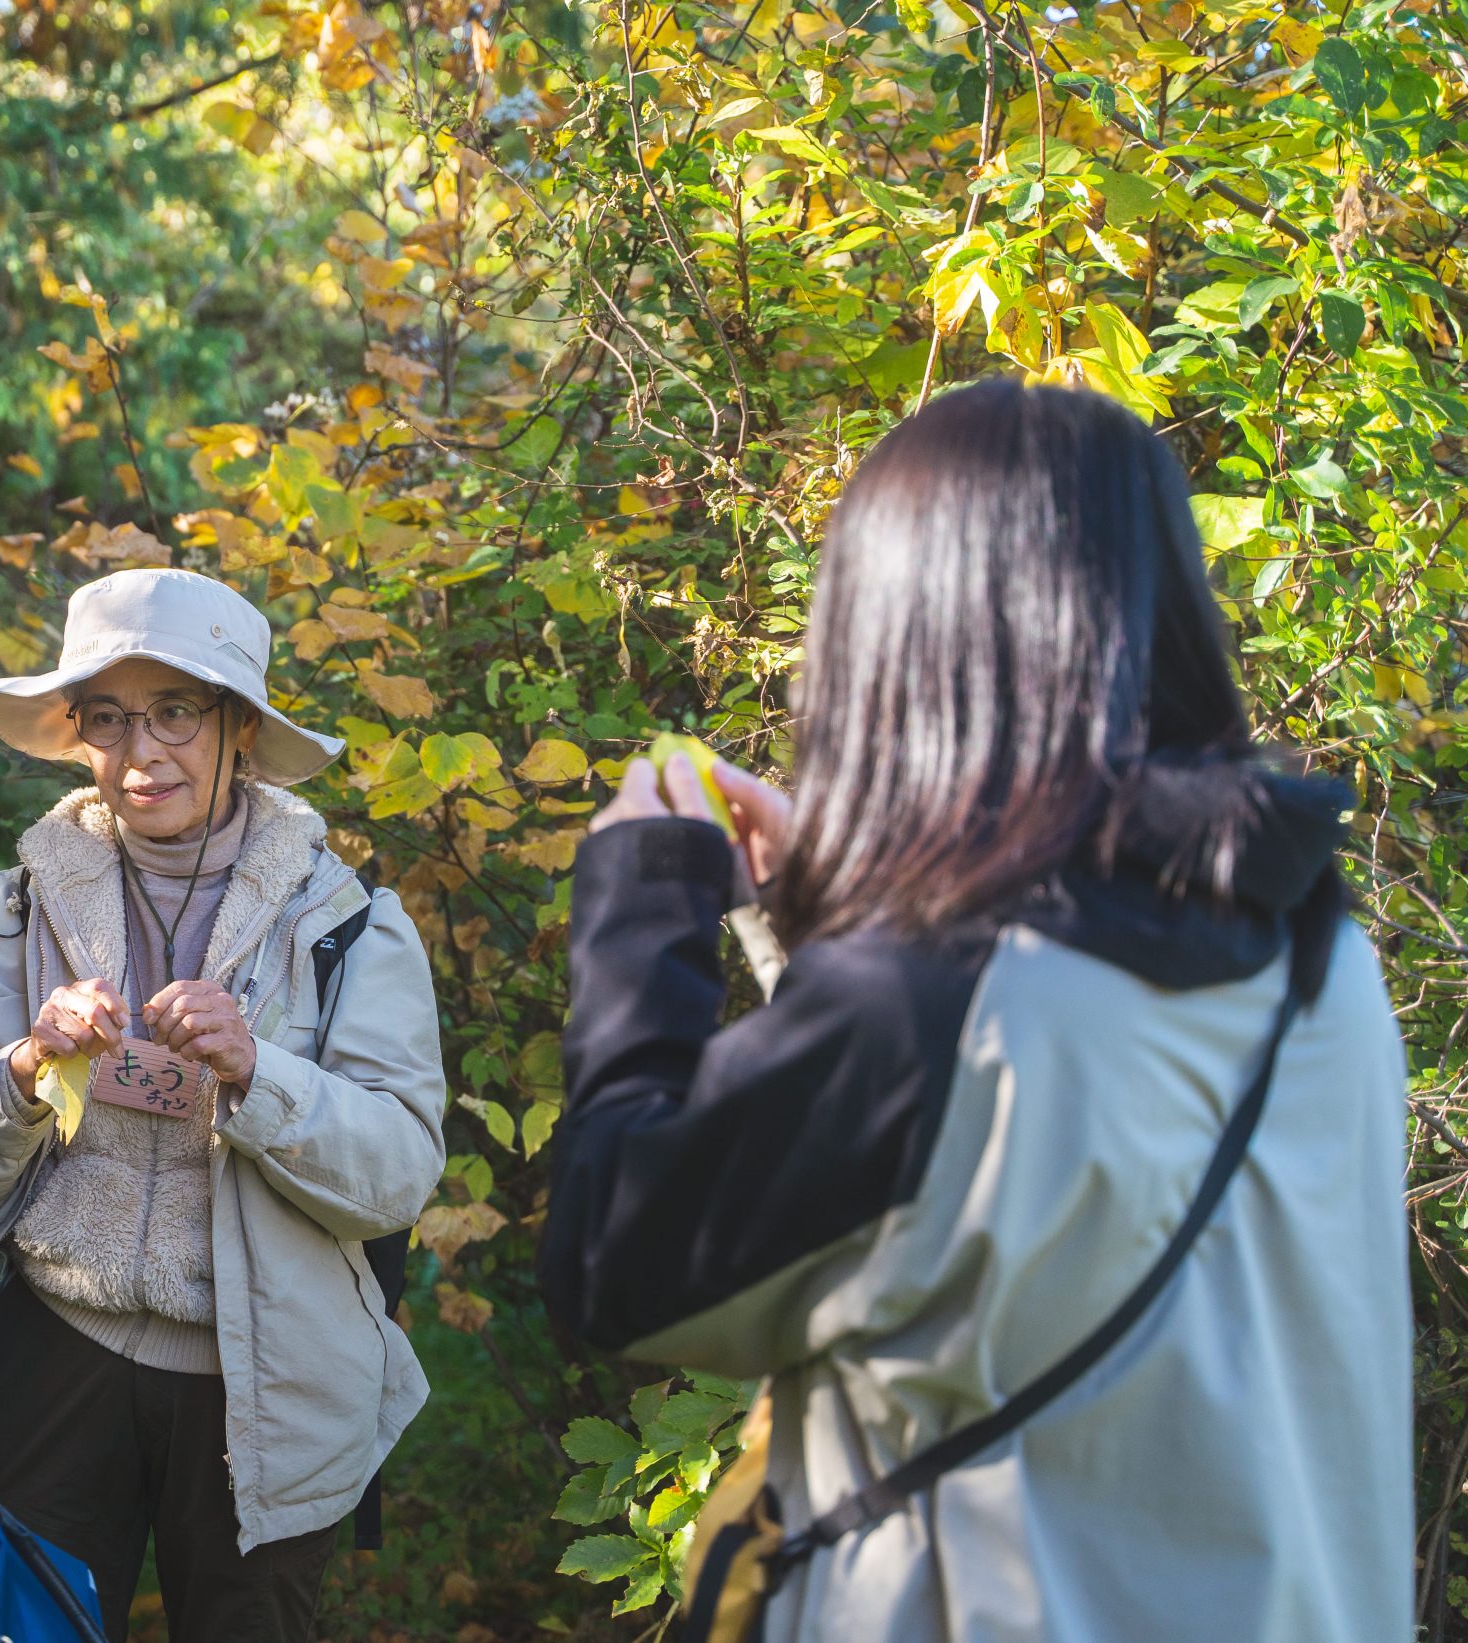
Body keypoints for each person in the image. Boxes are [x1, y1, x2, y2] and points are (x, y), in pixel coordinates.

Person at [539, 380, 1410, 1641]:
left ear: (889, 637)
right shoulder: (1321, 964)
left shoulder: (933, 1006)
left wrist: (642, 902)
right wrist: (825, 941)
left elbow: (617, 1271)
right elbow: (988, 1194)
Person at [0, 567, 447, 1641]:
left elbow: (397, 1173)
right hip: (55, 1350)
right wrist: (21, 1070)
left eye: (175, 713)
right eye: (105, 717)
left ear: (239, 724)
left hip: (268, 1381)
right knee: (19, 1624)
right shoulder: (23, 903)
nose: (139, 752)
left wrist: (258, 1074)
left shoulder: (347, 925)